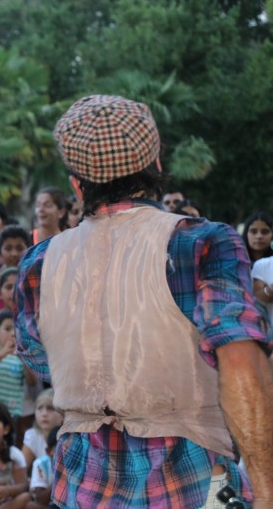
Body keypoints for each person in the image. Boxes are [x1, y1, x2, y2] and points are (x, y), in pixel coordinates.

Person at [15, 94, 273, 507]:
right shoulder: (202, 241)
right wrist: (266, 488)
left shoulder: (40, 262)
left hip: (82, 485)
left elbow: (38, 357)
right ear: (155, 164)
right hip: (191, 481)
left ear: (76, 182)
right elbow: (241, 360)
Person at [20, 389, 63, 471]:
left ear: (63, 414)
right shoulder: (33, 435)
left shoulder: (69, 437)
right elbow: (21, 469)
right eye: (40, 408)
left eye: (50, 408)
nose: (44, 413)